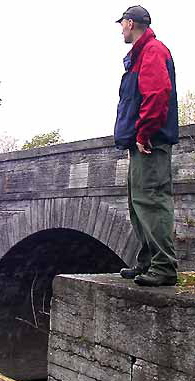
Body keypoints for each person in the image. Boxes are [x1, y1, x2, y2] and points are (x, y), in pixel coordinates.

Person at [114, 5, 179, 286]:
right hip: (141, 142)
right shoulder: (141, 55)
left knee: (151, 201)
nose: (121, 29)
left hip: (150, 142)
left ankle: (163, 266)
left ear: (130, 23)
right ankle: (148, 262)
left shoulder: (152, 51)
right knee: (138, 203)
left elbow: (157, 94)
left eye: (122, 24)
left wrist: (143, 134)